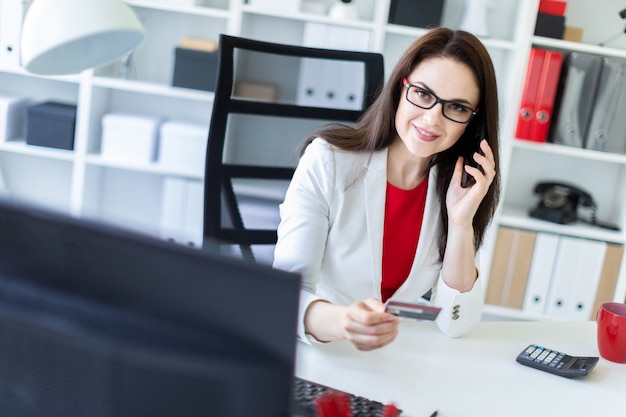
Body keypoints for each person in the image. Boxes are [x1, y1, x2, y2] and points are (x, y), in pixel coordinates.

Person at [273, 27, 501, 351]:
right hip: (318, 353)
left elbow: (455, 322)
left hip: (392, 360)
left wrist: (462, 224)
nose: (433, 120)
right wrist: (344, 323)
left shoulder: (456, 188)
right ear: (400, 88)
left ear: (472, 121)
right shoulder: (328, 161)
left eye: (457, 108)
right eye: (423, 94)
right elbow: (284, 300)